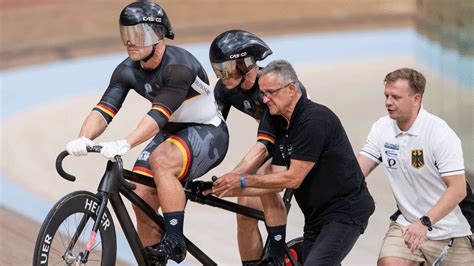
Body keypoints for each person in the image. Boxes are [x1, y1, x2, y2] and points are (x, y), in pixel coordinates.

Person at [65, 1, 229, 263]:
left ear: (159, 36)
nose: (130, 43)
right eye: (126, 35)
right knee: (141, 198)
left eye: (137, 35)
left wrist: (125, 143)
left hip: (208, 131)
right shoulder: (126, 70)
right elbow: (104, 109)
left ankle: (175, 240)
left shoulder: (179, 67)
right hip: (171, 133)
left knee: (161, 161)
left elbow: (158, 115)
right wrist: (83, 138)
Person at [213, 60, 375, 265]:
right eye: (263, 93)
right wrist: (223, 189)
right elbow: (275, 182)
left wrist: (242, 181)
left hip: (345, 212)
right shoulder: (282, 125)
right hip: (316, 216)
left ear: (291, 89)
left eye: (270, 92)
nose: (265, 99)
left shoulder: (314, 120)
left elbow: (293, 178)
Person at [357, 68, 474, 265]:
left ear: (416, 99)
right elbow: (356, 171)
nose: (388, 102)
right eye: (386, 95)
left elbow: (458, 189)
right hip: (407, 225)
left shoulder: (439, 133)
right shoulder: (382, 128)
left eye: (395, 97)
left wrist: (425, 222)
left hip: (453, 231)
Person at [210, 30, 307, 265]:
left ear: (246, 64)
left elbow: (264, 146)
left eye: (227, 69)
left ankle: (274, 256)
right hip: (271, 140)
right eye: (218, 69)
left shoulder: (271, 87)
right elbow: (211, 129)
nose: (223, 76)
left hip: (294, 144)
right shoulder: (224, 89)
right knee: (243, 209)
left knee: (262, 186)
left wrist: (235, 176)